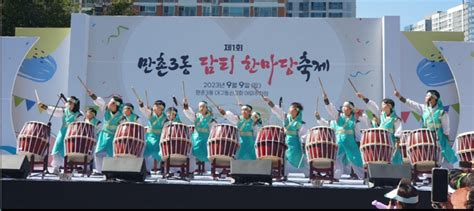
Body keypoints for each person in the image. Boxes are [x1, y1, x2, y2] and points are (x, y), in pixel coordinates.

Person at [394, 90, 458, 167]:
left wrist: (447, 143)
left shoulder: (442, 112)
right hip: (426, 138)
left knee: (441, 159)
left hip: (438, 138)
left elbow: (446, 130)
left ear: (434, 98)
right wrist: (400, 97)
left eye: (428, 96)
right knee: (426, 157)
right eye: (426, 96)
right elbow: (412, 104)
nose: (426, 97)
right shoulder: (424, 108)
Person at [314, 93, 366, 180]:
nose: (344, 108)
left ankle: (364, 177)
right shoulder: (337, 119)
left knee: (356, 160)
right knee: (337, 161)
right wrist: (326, 101)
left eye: (346, 106)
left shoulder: (355, 120)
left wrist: (360, 143)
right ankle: (335, 176)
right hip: (339, 143)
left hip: (351, 144)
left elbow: (357, 133)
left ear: (351, 109)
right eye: (343, 106)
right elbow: (332, 111)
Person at [263, 97, 309, 178]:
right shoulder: (286, 118)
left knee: (296, 158)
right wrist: (269, 102)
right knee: (285, 158)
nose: (289, 109)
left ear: (296, 110)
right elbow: (277, 111)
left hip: (296, 143)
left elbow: (304, 136)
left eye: (291, 108)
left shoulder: (300, 123)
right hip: (285, 141)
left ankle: (306, 172)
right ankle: (284, 173)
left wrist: (304, 144)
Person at [38, 96, 82, 175]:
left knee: (69, 151)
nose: (68, 103)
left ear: (74, 104)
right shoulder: (65, 111)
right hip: (62, 132)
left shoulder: (79, 115)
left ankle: (70, 169)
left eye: (70, 102)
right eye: (68, 102)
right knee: (56, 149)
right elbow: (54, 110)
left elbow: (80, 126)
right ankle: (56, 168)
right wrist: (43, 106)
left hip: (72, 134)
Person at [355, 92, 403, 164]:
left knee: (391, 160)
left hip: (390, 142)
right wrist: (363, 97)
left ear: (389, 106)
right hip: (380, 142)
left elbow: (398, 132)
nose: (381, 106)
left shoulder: (395, 119)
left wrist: (397, 143)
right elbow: (373, 107)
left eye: (383, 104)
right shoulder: (382, 115)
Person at [87, 90, 123, 175]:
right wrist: (93, 95)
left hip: (115, 136)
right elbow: (100, 103)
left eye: (111, 102)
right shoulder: (106, 109)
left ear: (116, 105)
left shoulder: (121, 115)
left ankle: (113, 171)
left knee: (113, 154)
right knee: (98, 152)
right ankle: (99, 171)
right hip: (104, 134)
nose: (109, 104)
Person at [182, 98, 217, 174]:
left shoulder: (210, 119)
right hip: (195, 138)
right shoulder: (196, 116)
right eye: (200, 106)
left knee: (210, 153)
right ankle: (191, 171)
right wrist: (186, 105)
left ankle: (212, 171)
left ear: (206, 108)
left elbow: (213, 130)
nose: (201, 108)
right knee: (190, 153)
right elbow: (188, 113)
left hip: (206, 139)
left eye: (203, 106)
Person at [137, 100, 167, 173]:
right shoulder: (150, 114)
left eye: (156, 106)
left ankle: (162, 168)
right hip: (149, 137)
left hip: (159, 138)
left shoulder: (165, 118)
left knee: (160, 153)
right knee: (143, 152)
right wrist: (141, 105)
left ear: (161, 108)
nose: (154, 107)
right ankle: (145, 170)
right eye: (154, 105)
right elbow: (144, 111)